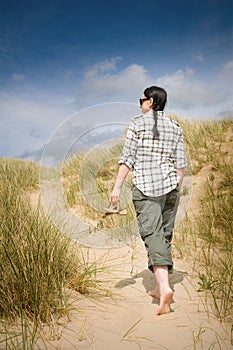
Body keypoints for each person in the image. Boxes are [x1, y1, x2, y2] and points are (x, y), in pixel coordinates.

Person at [110, 86, 187, 315]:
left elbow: (127, 159)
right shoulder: (175, 127)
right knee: (164, 234)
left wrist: (116, 187)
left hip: (146, 187)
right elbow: (180, 165)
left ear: (151, 102)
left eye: (141, 100)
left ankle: (164, 288)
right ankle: (157, 286)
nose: (140, 104)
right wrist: (175, 188)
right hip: (171, 187)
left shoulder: (137, 123)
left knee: (152, 234)